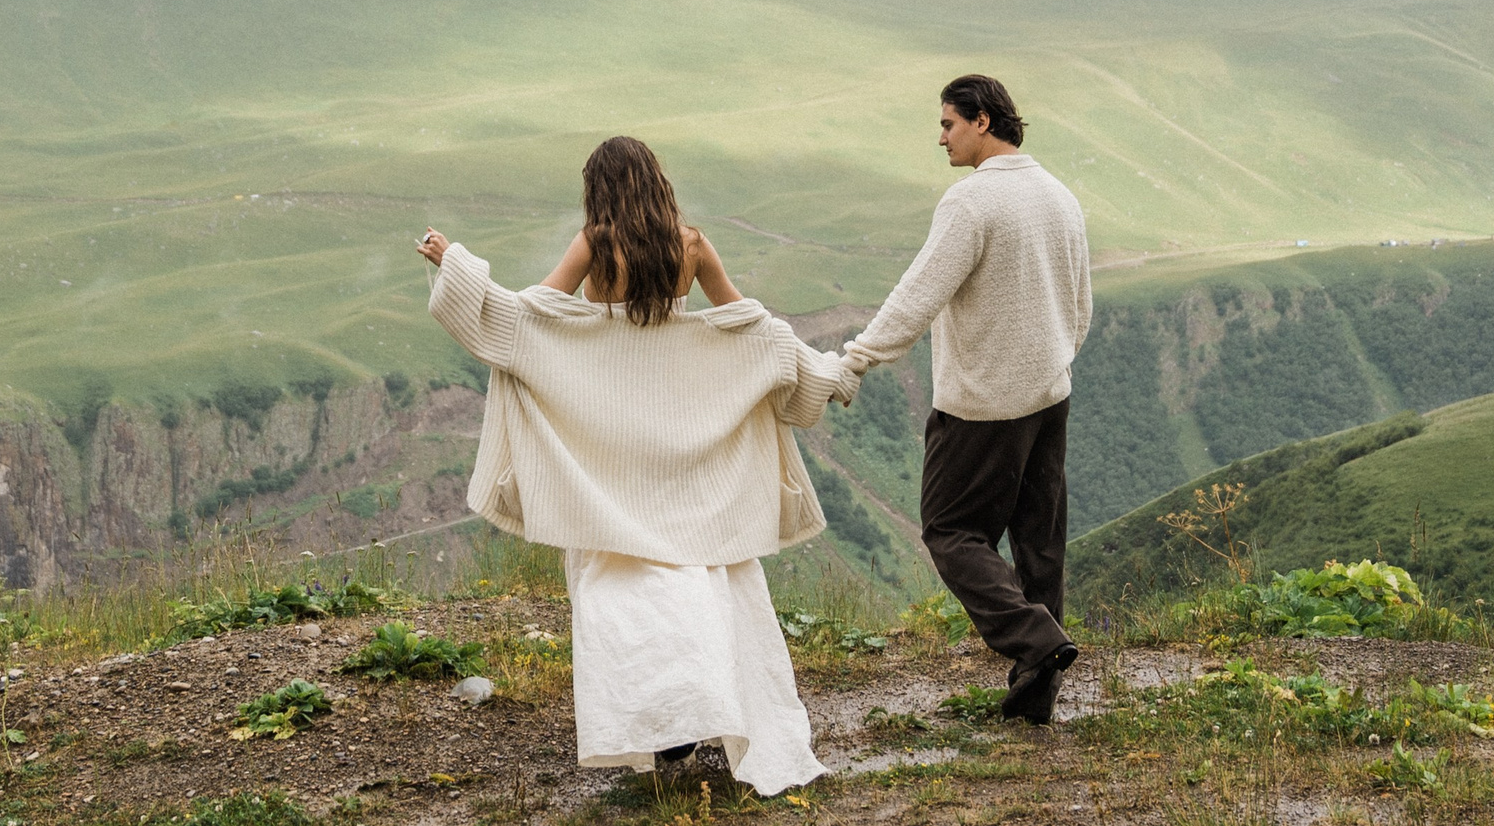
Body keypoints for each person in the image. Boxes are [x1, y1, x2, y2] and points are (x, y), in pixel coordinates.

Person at [416, 135, 857, 795]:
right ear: (657, 181)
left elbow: (528, 317)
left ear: (599, 189)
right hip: (684, 430)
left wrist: (457, 263)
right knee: (699, 573)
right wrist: (818, 370)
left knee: (619, 583)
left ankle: (661, 720)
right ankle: (699, 711)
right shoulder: (694, 244)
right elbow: (746, 324)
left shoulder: (595, 243)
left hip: (610, 443)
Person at [839, 74, 1092, 724]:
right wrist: (1053, 359)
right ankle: (1037, 689)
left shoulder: (972, 203)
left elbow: (918, 295)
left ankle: (1036, 641)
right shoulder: (1059, 195)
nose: (942, 137)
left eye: (949, 123)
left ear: (983, 120)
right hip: (1049, 392)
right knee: (1039, 542)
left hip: (983, 404)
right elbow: (1079, 304)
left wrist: (858, 357)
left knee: (950, 530)